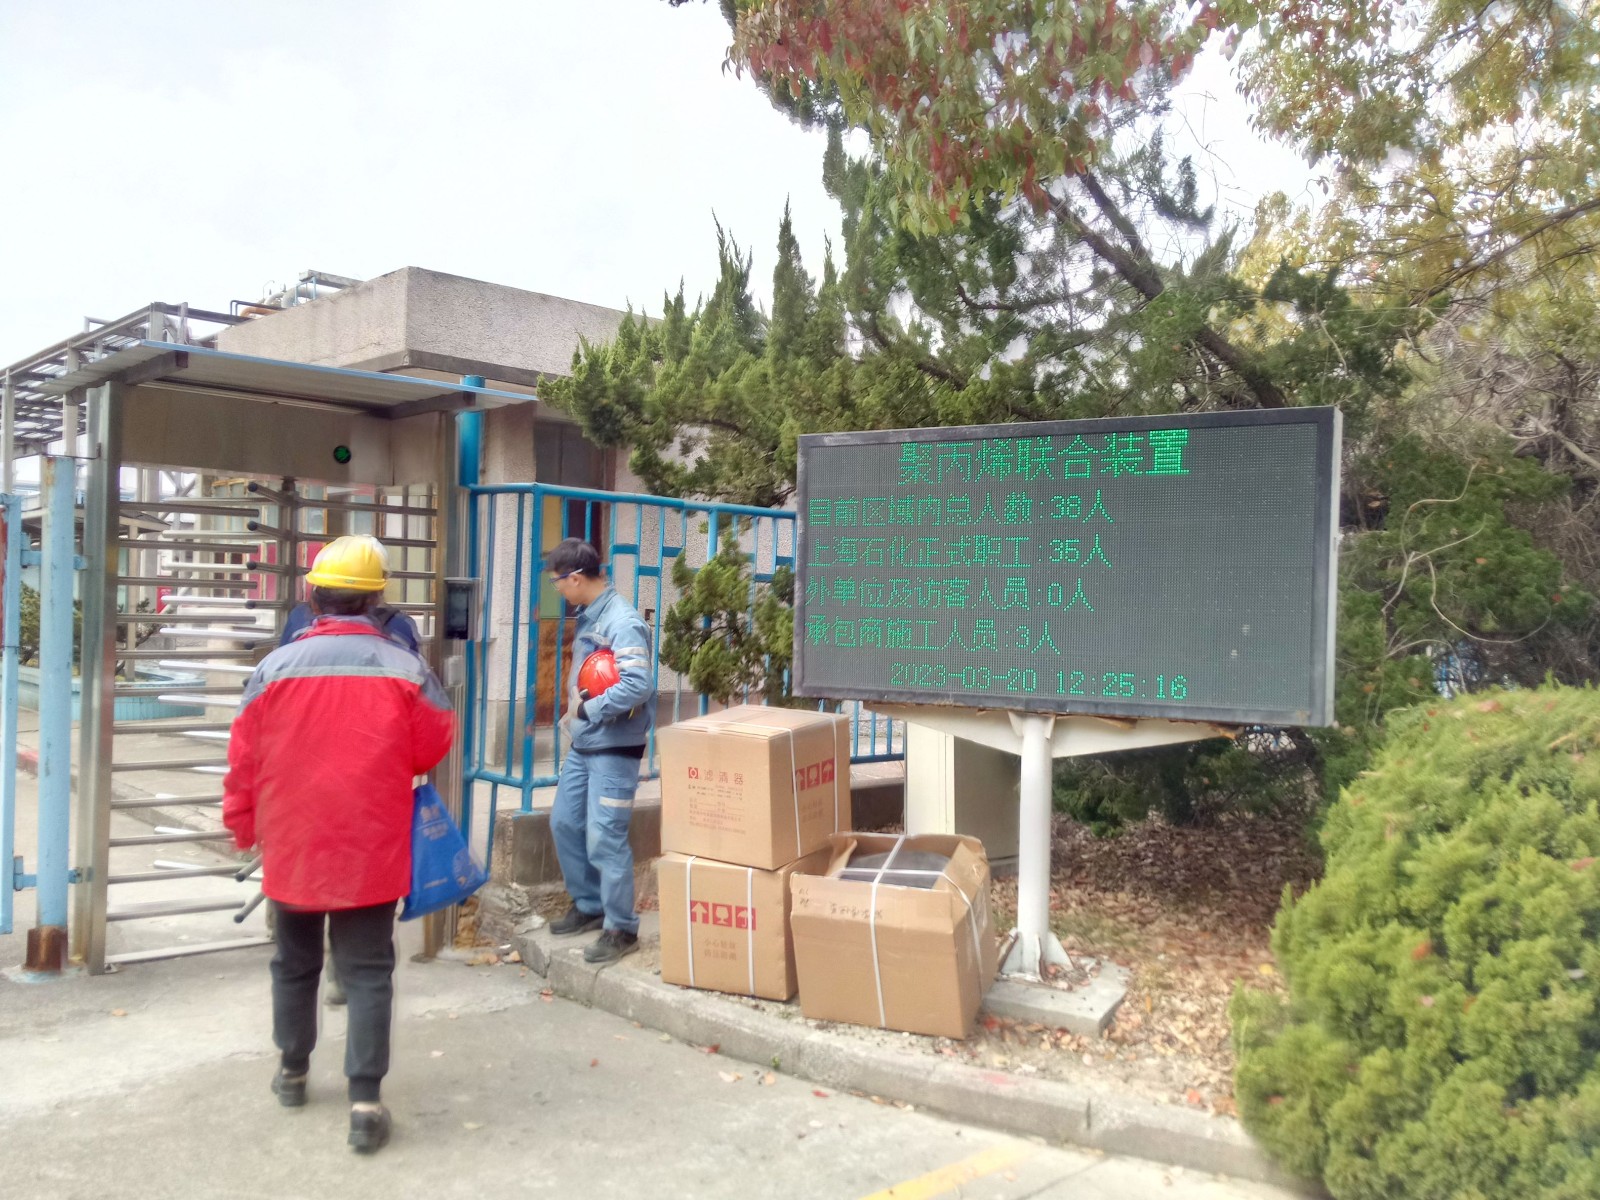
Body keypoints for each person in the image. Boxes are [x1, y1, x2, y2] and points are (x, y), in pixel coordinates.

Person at [223, 535, 454, 1154]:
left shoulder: (273, 669)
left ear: (312, 595)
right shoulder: (406, 669)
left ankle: (292, 1073)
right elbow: (432, 744)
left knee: (293, 963)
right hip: (369, 845)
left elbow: (243, 759)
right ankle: (365, 1104)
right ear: (377, 600)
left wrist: (244, 825)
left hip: (293, 843)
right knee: (369, 971)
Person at [276, 535, 421, 1010]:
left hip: (303, 794)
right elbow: (428, 729)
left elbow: (262, 724)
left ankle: (295, 1048)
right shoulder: (400, 633)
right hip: (369, 791)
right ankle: (346, 972)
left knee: (296, 946)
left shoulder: (295, 631)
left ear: (317, 589)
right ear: (378, 589)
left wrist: (248, 818)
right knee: (364, 933)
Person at [544, 537, 656, 964]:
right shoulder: (590, 614)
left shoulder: (622, 621)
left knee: (605, 837)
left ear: (575, 578)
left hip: (615, 746)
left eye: (557, 581)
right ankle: (589, 905)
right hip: (586, 742)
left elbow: (637, 684)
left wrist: (588, 709)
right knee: (565, 823)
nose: (557, 588)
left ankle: (621, 928)